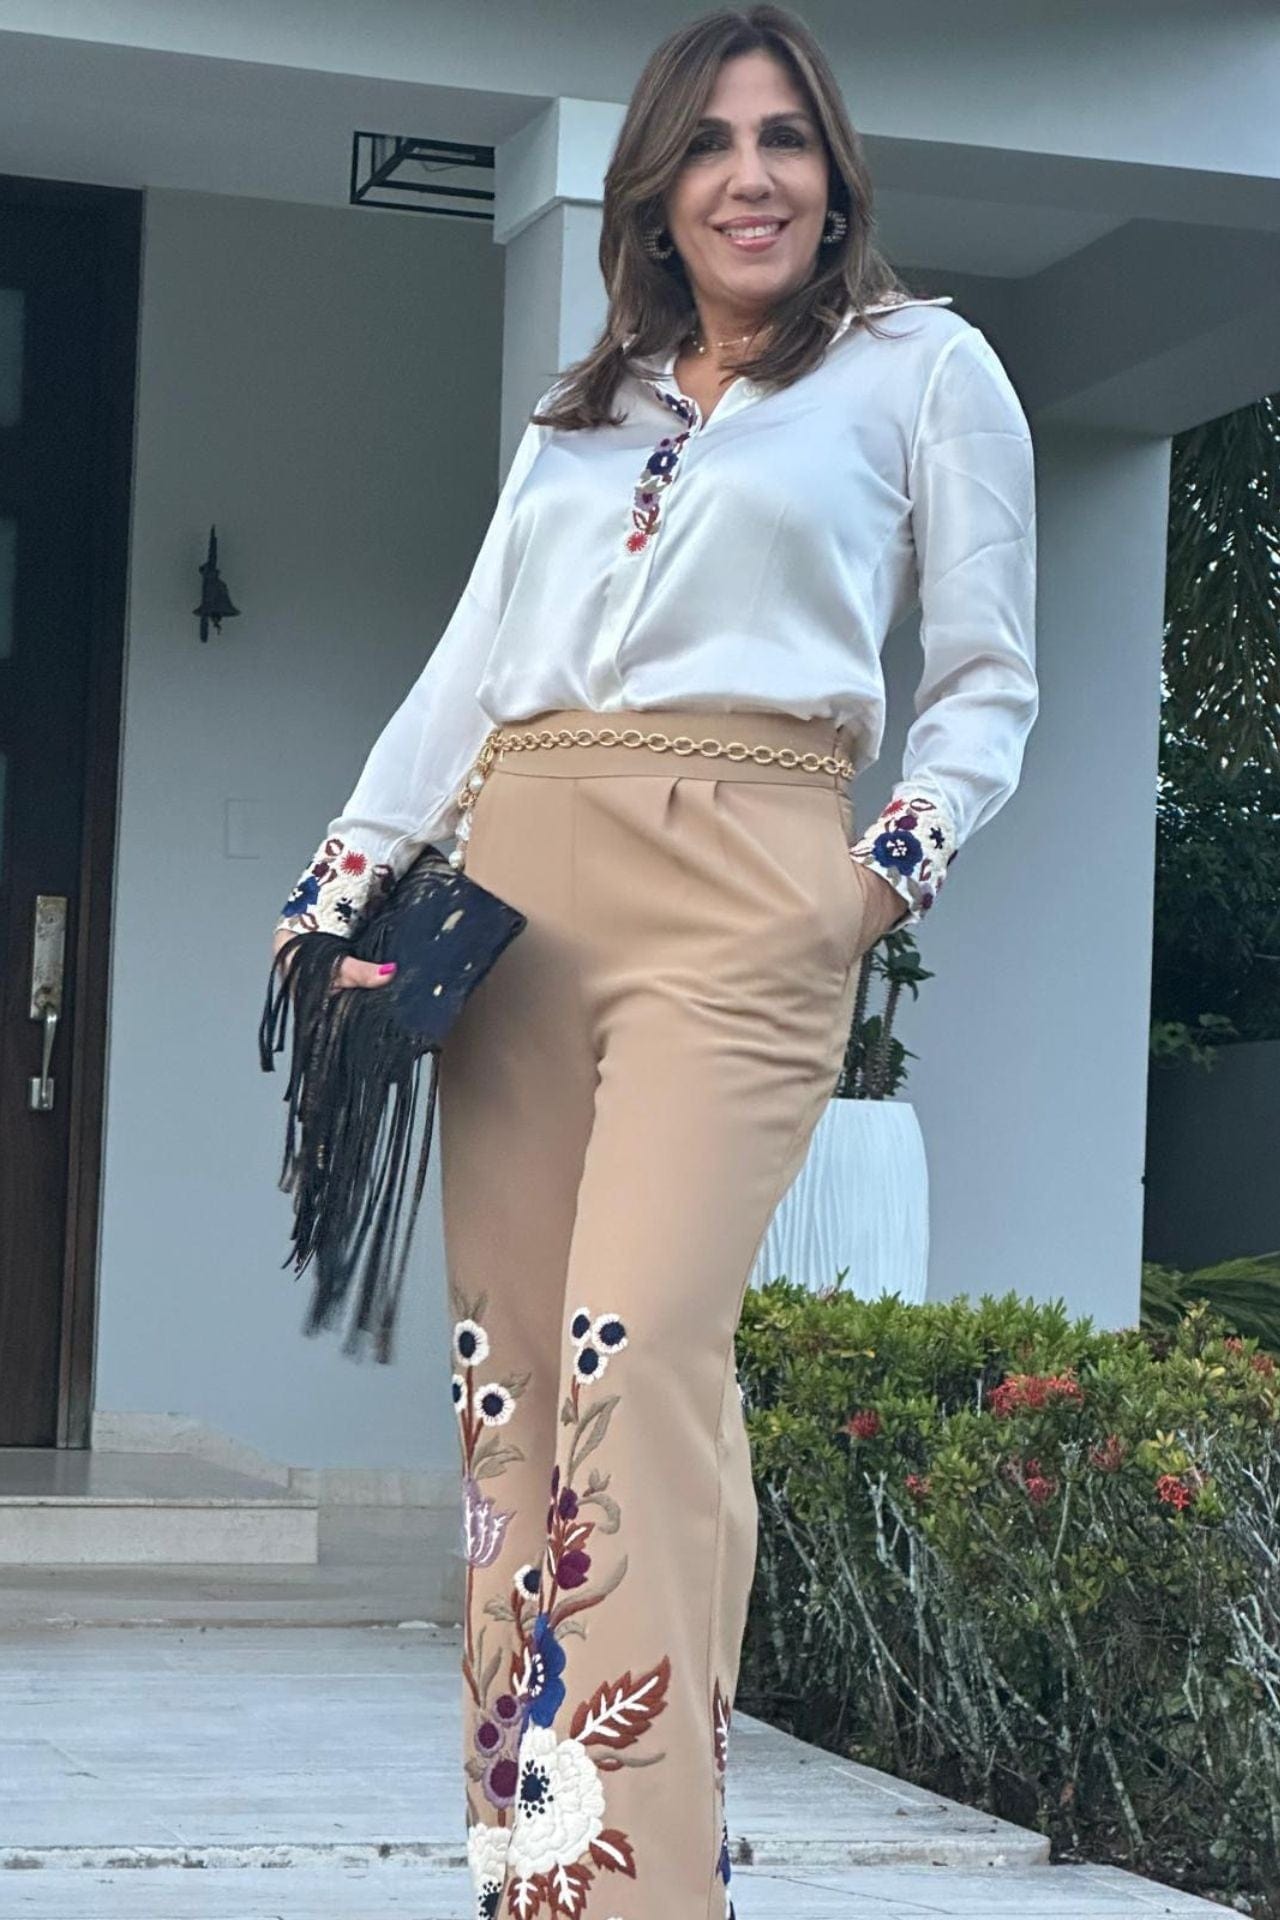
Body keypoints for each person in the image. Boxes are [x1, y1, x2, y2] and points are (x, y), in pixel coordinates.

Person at [270, 7, 1038, 1915]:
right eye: (710, 145)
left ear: (834, 174)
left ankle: (646, 1890)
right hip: (517, 898)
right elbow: (471, 673)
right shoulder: (583, 413)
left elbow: (986, 680)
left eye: (786, 141)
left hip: (747, 890)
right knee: (510, 1393)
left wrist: (869, 883)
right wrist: (343, 877)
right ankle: (541, 1878)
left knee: (637, 1364)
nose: (751, 177)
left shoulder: (924, 371)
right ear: (658, 190)